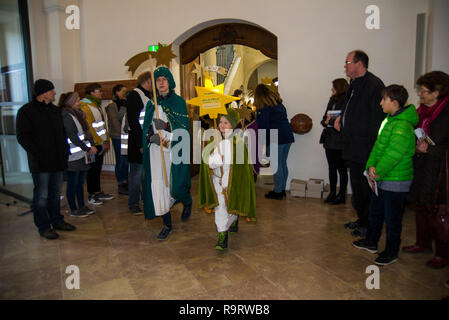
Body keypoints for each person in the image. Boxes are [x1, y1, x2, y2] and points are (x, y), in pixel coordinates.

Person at [352, 85, 418, 265]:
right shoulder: (388, 121)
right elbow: (378, 147)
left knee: (393, 218)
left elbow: (393, 155)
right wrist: (371, 165)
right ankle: (372, 242)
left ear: (394, 103)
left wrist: (377, 172)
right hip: (382, 177)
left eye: (384, 99)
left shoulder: (403, 126)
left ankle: (391, 251)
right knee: (376, 212)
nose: (380, 103)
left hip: (395, 180)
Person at [16, 79, 76, 239]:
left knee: (55, 194)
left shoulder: (54, 111)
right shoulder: (26, 111)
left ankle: (57, 221)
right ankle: (43, 226)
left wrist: (65, 152)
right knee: (41, 196)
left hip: (57, 161)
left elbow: (62, 134)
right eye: (52, 90)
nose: (55, 93)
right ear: (43, 92)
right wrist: (38, 154)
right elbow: (23, 137)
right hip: (41, 163)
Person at [335, 50, 385, 238]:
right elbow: (349, 108)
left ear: (359, 63)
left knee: (366, 189)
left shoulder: (374, 85)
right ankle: (362, 219)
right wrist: (341, 117)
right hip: (352, 146)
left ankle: (369, 225)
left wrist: (374, 153)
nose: (345, 66)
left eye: (347, 62)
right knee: (357, 187)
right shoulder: (353, 84)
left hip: (365, 149)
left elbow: (376, 121)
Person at [402, 71, 449, 268]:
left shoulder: (446, 114)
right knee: (421, 205)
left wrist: (430, 148)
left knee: (437, 210)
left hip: (441, 170)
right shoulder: (421, 112)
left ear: (437, 92)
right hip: (422, 166)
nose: (420, 94)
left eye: (424, 91)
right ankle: (422, 243)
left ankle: (443, 253)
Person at [142, 66, 192, 240]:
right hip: (156, 153)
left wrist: (165, 127)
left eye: (164, 79)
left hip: (173, 151)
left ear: (170, 81)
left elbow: (183, 130)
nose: (161, 82)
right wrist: (150, 137)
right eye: (158, 80)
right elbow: (145, 128)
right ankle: (167, 224)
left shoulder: (178, 102)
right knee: (159, 187)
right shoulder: (150, 104)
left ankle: (187, 201)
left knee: (176, 186)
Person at [198, 108, 256, 250]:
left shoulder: (238, 143)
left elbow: (242, 167)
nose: (221, 125)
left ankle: (234, 219)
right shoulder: (214, 140)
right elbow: (207, 161)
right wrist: (215, 160)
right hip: (217, 182)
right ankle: (222, 236)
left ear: (233, 124)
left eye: (226, 122)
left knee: (231, 206)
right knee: (221, 209)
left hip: (232, 183)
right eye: (220, 122)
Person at [254, 84, 294, 200]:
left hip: (275, 137)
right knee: (282, 164)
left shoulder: (264, 106)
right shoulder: (278, 103)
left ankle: (278, 192)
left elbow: (264, 126)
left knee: (277, 166)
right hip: (287, 135)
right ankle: (281, 189)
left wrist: (261, 142)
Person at [60, 92, 97, 217]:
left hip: (82, 155)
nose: (79, 103)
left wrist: (91, 145)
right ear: (70, 102)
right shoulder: (66, 115)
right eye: (77, 101)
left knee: (80, 183)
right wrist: (87, 148)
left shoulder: (78, 114)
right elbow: (72, 136)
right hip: (73, 156)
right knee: (73, 183)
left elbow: (86, 132)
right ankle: (74, 208)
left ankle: (81, 205)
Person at [80, 83, 114, 205]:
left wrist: (106, 140)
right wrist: (98, 143)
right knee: (92, 169)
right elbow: (89, 128)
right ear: (92, 93)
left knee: (97, 168)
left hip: (100, 142)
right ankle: (91, 194)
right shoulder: (85, 106)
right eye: (98, 91)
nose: (101, 93)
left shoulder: (95, 105)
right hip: (93, 144)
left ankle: (98, 191)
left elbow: (101, 126)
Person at [126, 72, 152, 215]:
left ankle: (145, 199)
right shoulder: (134, 96)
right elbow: (134, 123)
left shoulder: (148, 96)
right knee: (136, 175)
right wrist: (140, 145)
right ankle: (133, 203)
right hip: (138, 143)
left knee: (146, 175)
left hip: (148, 141)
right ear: (148, 81)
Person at [320, 78, 349, 204]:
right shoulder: (332, 99)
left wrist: (329, 121)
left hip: (341, 141)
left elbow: (345, 120)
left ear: (339, 87)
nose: (332, 89)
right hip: (329, 140)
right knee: (331, 168)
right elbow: (324, 119)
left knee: (342, 170)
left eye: (334, 87)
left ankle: (342, 195)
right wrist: (327, 122)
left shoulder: (347, 100)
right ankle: (332, 193)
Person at [106, 84, 129, 195]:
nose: (125, 93)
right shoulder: (112, 106)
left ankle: (126, 181)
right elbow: (115, 123)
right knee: (120, 160)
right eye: (123, 91)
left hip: (126, 136)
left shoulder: (126, 103)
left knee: (126, 160)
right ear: (117, 92)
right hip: (118, 136)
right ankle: (121, 183)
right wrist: (123, 132)